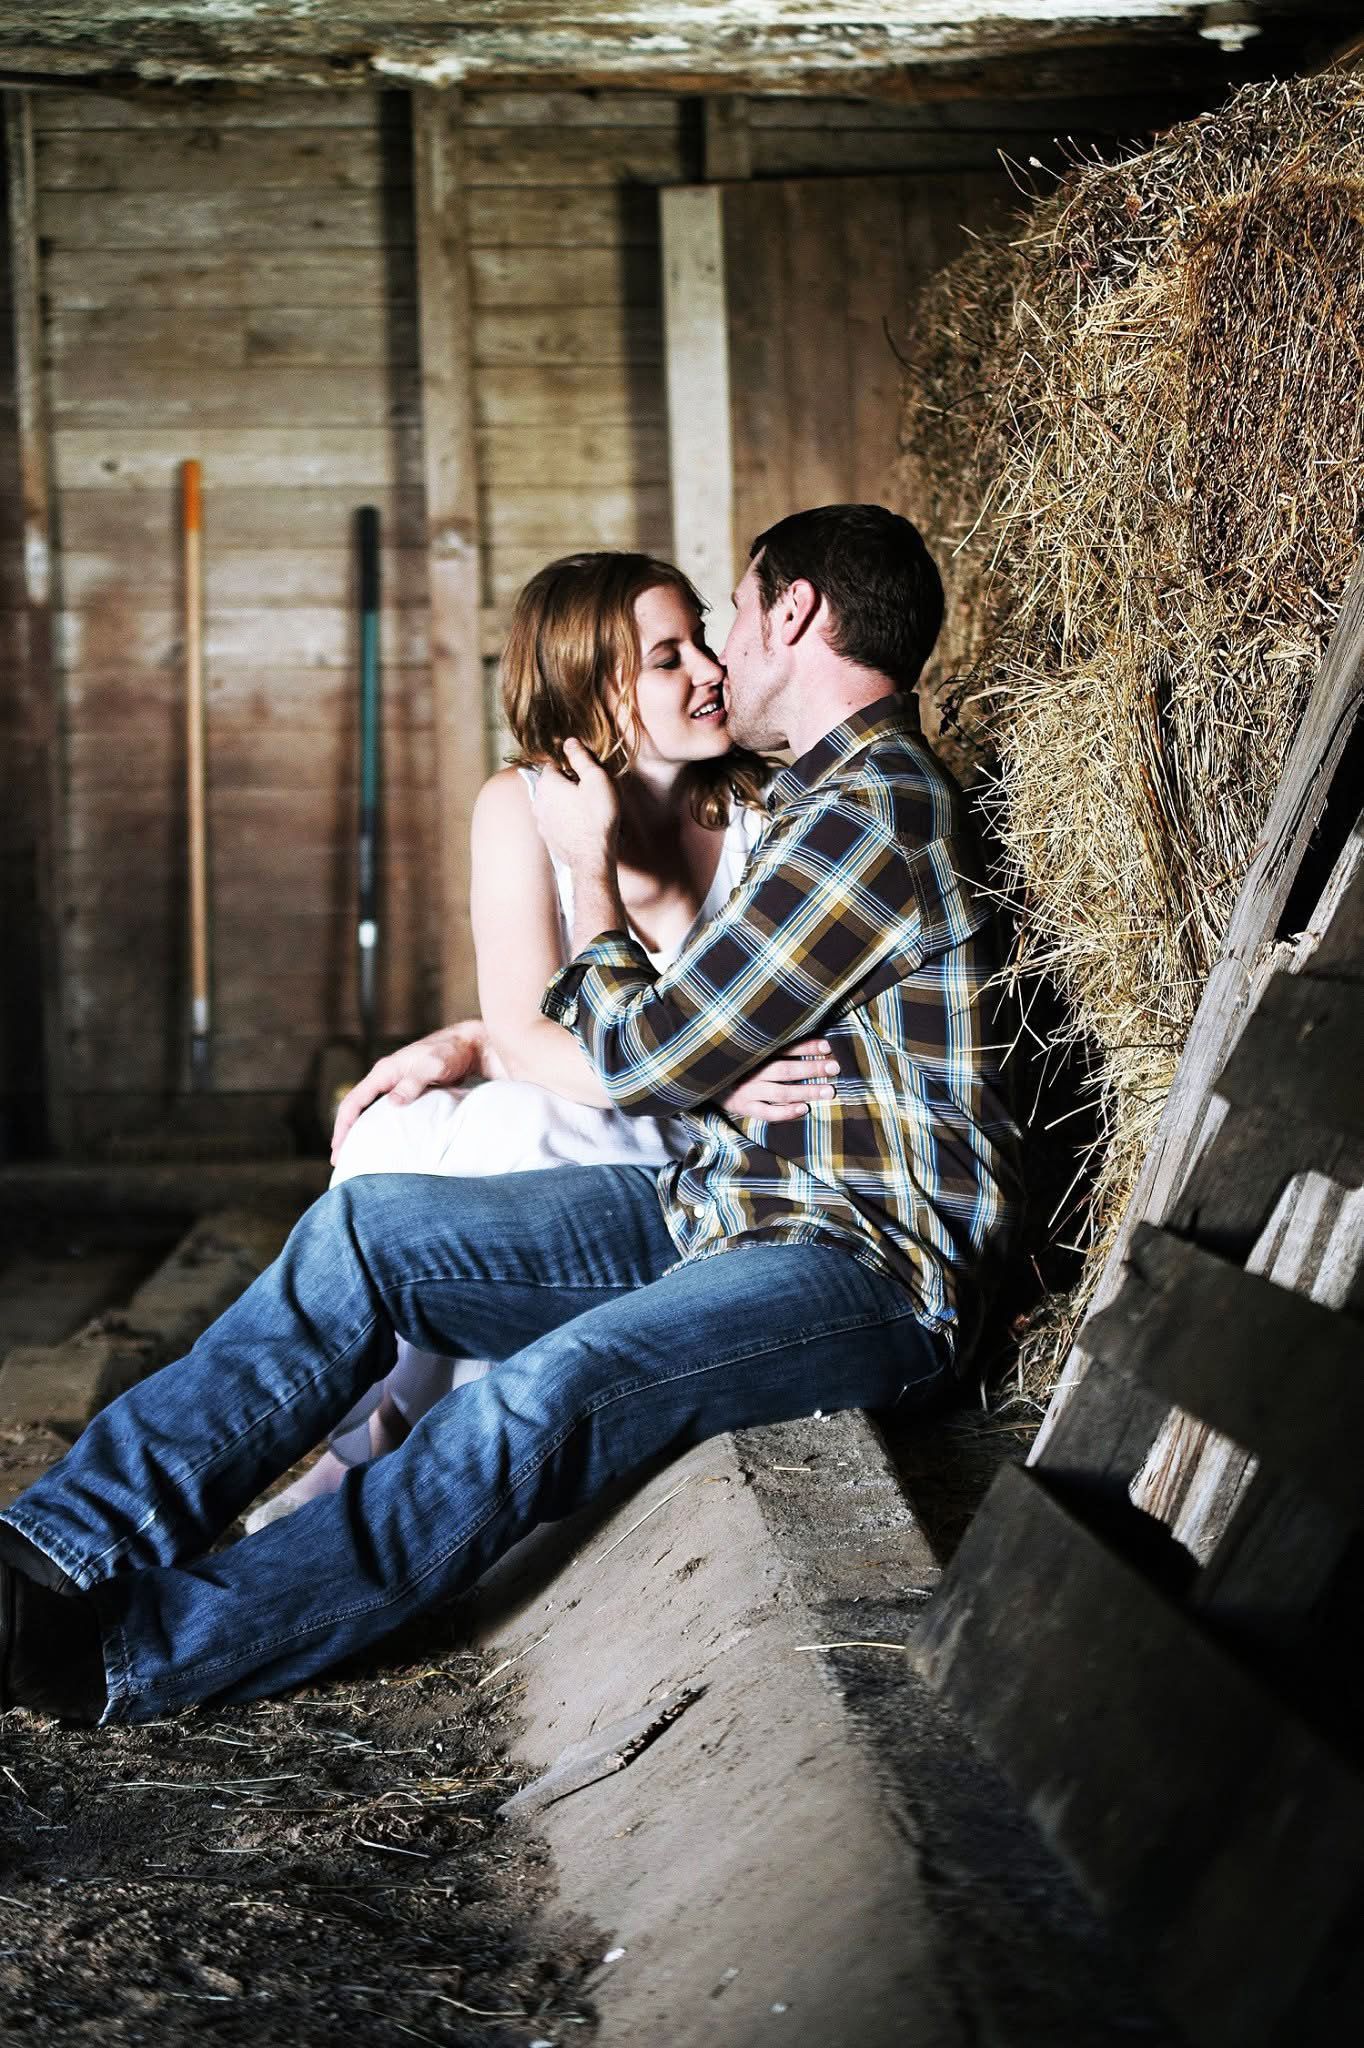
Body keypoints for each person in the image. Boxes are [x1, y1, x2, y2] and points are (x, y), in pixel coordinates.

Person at [0, 504, 1022, 1727]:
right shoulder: (819, 801)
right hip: (721, 1202)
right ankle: (51, 1550)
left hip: (862, 1266)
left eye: (734, 617)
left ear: (791, 614)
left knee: (548, 1390)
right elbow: (655, 1039)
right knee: (369, 1229)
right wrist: (522, 1038)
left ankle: (134, 1651)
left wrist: (594, 886)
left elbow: (645, 1050)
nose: (719, 652)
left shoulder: (867, 814)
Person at [246, 550, 833, 1527]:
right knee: (395, 1130)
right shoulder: (514, 806)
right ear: (592, 685)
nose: (708, 668)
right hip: (613, 1095)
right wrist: (488, 1040)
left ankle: (390, 1452)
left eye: (700, 636)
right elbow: (524, 1030)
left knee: (507, 1136)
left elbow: (560, 1045)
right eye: (666, 655)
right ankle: (377, 1439)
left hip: (702, 1148)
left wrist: (689, 1083)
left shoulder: (759, 812)